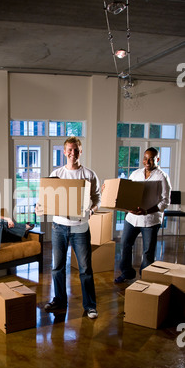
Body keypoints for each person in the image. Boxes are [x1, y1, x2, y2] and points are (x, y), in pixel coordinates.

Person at [37, 136, 101, 319]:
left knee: (85, 269)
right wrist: (39, 206)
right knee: (57, 267)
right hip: (59, 227)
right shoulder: (57, 174)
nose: (73, 153)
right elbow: (46, 199)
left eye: (76, 149)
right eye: (69, 150)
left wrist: (93, 209)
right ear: (64, 152)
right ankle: (59, 300)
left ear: (81, 151)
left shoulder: (89, 174)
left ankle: (90, 305)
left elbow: (97, 198)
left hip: (80, 227)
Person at [114, 147, 171, 284]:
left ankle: (145, 279)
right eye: (145, 158)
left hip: (150, 220)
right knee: (125, 245)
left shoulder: (162, 176)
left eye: (151, 158)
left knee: (147, 252)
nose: (147, 161)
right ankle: (127, 273)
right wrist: (127, 207)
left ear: (157, 160)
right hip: (132, 218)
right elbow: (128, 193)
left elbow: (166, 201)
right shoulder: (135, 174)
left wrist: (147, 211)